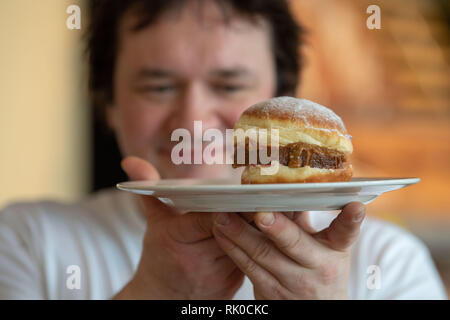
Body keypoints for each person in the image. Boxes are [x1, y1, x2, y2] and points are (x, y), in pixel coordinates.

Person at [0, 0, 446, 300]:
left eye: (229, 84)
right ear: (110, 105)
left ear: (282, 94)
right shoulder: (27, 241)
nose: (194, 117)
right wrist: (152, 291)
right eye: (158, 85)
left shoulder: (388, 262)